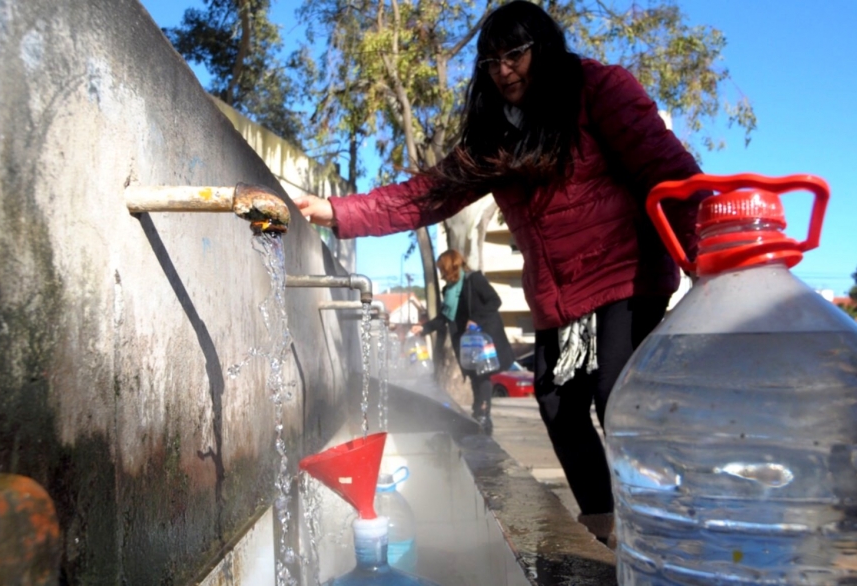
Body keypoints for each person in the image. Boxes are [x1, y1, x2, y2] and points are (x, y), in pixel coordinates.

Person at [294, 0, 705, 542]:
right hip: (560, 294)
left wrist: (703, 261)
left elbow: (669, 171)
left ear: (544, 50)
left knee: (617, 396)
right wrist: (334, 211)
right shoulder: (495, 135)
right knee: (557, 404)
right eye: (491, 62)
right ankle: (606, 529)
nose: (503, 70)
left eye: (515, 55)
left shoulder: (598, 89)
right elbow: (424, 195)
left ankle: (663, 525)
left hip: (626, 275)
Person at [411, 250, 515, 432]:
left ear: (451, 266)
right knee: (475, 376)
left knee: (482, 375)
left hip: (482, 337)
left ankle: (483, 416)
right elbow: (444, 317)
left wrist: (475, 318)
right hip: (465, 341)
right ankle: (478, 413)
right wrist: (424, 328)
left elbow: (494, 301)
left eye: (442, 269)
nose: (441, 273)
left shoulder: (474, 280)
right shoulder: (449, 290)